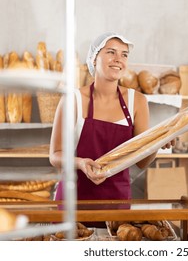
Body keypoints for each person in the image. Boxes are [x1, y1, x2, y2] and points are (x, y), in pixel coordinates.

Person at [50, 31, 172, 202]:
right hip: (72, 201)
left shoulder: (137, 101)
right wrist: (80, 163)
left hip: (116, 202)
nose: (118, 59)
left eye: (124, 55)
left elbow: (141, 162)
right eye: (110, 52)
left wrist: (156, 144)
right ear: (94, 58)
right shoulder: (72, 100)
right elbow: (55, 155)